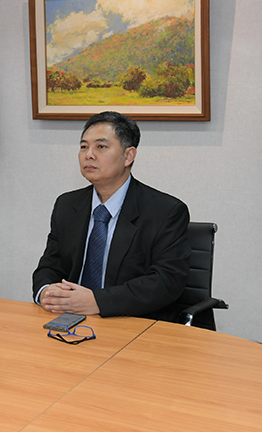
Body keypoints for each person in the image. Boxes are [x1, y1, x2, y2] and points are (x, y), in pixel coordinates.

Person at [32, 111, 191, 322]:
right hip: (70, 320)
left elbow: (166, 281)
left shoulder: (165, 211)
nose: (89, 155)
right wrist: (47, 291)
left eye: (101, 147)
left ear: (128, 156)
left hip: (133, 322)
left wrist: (97, 301)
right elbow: (50, 266)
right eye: (83, 147)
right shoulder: (67, 205)